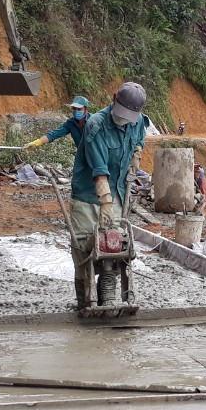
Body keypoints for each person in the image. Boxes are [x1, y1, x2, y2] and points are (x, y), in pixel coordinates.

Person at [69, 82, 149, 307]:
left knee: (112, 247)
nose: (123, 119)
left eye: (129, 116)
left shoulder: (137, 121)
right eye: (122, 113)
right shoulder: (96, 125)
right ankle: (84, 302)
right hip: (88, 195)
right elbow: (99, 169)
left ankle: (109, 299)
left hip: (118, 193)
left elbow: (139, 138)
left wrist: (137, 153)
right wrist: (105, 202)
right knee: (84, 247)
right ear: (114, 98)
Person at [25, 96, 92, 150]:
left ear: (86, 110)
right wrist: (36, 143)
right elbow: (54, 134)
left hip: (98, 156)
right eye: (74, 108)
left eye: (79, 109)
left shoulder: (94, 120)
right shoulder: (71, 123)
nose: (76, 111)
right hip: (82, 155)